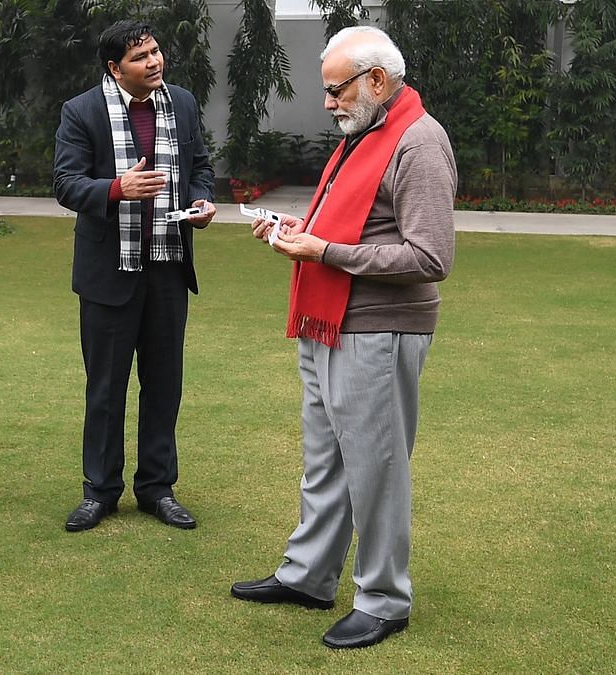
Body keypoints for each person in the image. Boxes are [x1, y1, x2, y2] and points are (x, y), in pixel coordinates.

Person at [230, 26, 456, 650]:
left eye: (336, 90)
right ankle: (308, 576)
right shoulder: (367, 134)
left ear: (377, 80)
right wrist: (299, 230)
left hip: (380, 330)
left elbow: (430, 256)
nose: (327, 102)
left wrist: (323, 249)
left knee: (376, 468)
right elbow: (354, 222)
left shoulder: (418, 141)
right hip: (328, 320)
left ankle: (384, 600)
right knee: (325, 460)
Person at [53, 20, 216, 532]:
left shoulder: (182, 104)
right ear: (114, 68)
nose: (155, 61)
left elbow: (201, 165)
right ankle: (99, 491)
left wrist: (201, 200)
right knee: (105, 387)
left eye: (155, 51)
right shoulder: (81, 111)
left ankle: (157, 488)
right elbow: (65, 183)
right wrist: (118, 189)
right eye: (141, 56)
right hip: (110, 273)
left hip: (167, 267)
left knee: (164, 383)